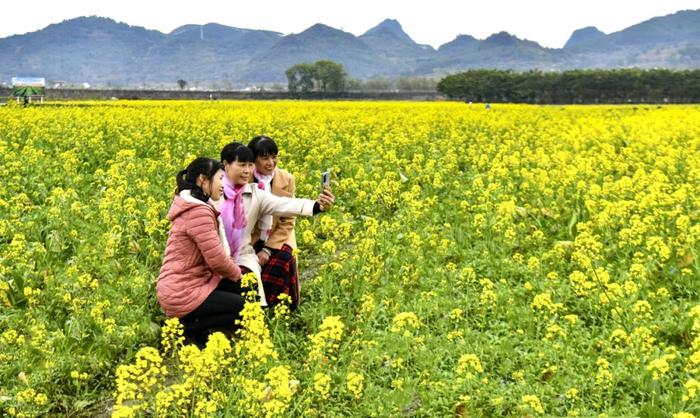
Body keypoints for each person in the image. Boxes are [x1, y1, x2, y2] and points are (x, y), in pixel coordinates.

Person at [217, 142, 334, 307]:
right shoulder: (214, 192)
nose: (247, 170)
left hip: (244, 254)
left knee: (248, 290)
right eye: (242, 165)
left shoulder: (255, 192)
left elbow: (285, 205)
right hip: (215, 256)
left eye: (249, 165)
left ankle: (274, 308)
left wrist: (317, 206)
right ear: (225, 165)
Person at [156, 157, 244, 347]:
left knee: (241, 291)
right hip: (182, 290)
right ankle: (184, 328)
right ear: (203, 180)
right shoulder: (198, 211)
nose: (223, 185)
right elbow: (217, 260)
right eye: (220, 178)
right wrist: (239, 275)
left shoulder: (194, 204)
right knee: (241, 306)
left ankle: (200, 330)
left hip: (188, 283)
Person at [248, 135, 301, 308]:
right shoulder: (244, 179)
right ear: (253, 160)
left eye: (274, 156)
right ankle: (258, 307)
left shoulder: (287, 179)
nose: (271, 162)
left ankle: (280, 308)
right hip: (251, 236)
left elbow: (288, 219)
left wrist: (268, 250)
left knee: (284, 258)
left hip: (279, 233)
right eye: (264, 158)